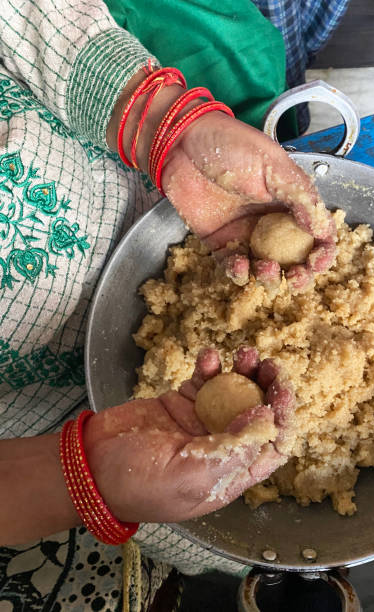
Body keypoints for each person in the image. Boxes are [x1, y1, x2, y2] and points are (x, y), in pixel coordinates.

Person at [0, 0, 345, 609]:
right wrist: (79, 476)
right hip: (62, 451)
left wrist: (167, 129)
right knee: (217, 540)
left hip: (142, 181)